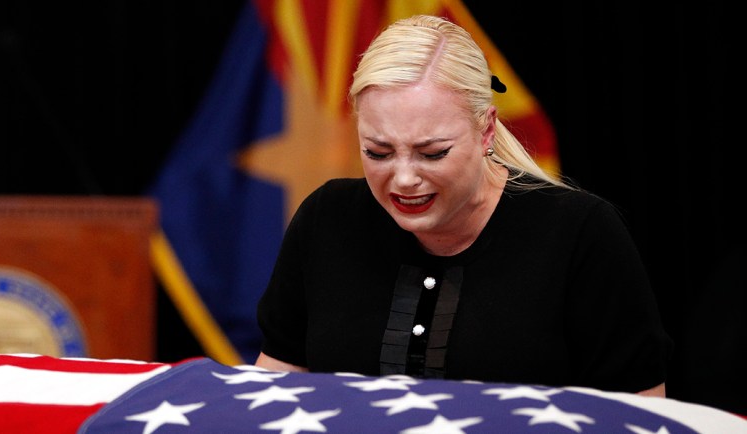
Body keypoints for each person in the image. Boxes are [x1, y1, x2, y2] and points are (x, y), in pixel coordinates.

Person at [255, 14, 673, 397]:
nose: (403, 178)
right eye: (378, 152)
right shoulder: (326, 219)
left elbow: (643, 413)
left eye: (432, 153)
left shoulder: (579, 233)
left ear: (487, 130)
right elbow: (275, 392)